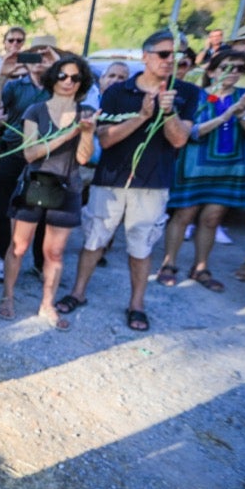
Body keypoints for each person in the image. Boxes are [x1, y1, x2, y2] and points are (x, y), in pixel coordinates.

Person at [55, 30, 200, 332]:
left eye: (176, 56)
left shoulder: (186, 92)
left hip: (153, 184)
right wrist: (143, 116)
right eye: (163, 54)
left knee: (141, 247)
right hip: (111, 179)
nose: (170, 60)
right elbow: (105, 140)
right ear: (145, 56)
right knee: (94, 238)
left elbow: (179, 140)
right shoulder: (118, 92)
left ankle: (137, 304)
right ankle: (77, 292)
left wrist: (167, 111)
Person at [0, 56, 97, 330]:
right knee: (18, 247)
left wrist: (86, 134)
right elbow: (30, 153)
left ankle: (47, 303)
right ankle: (8, 296)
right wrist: (70, 133)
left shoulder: (86, 112)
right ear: (53, 78)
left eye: (75, 77)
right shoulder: (35, 110)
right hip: (34, 183)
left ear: (81, 82)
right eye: (63, 76)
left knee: (54, 253)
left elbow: (84, 158)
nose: (68, 82)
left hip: (68, 187)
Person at [157, 50, 245, 293]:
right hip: (195, 164)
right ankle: (169, 263)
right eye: (227, 66)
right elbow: (191, 133)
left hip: (230, 166)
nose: (233, 72)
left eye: (238, 68)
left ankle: (200, 267)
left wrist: (242, 112)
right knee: (184, 215)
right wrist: (225, 115)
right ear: (212, 71)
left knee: (212, 219)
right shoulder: (198, 96)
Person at [0, 38, 58, 282]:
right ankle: (0, 255)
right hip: (13, 150)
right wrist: (1, 75)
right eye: (34, 55)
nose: (38, 60)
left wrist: (57, 66)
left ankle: (40, 262)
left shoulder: (58, 87)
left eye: (44, 55)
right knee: (5, 206)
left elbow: (73, 97)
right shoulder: (16, 86)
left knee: (42, 209)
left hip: (45, 155)